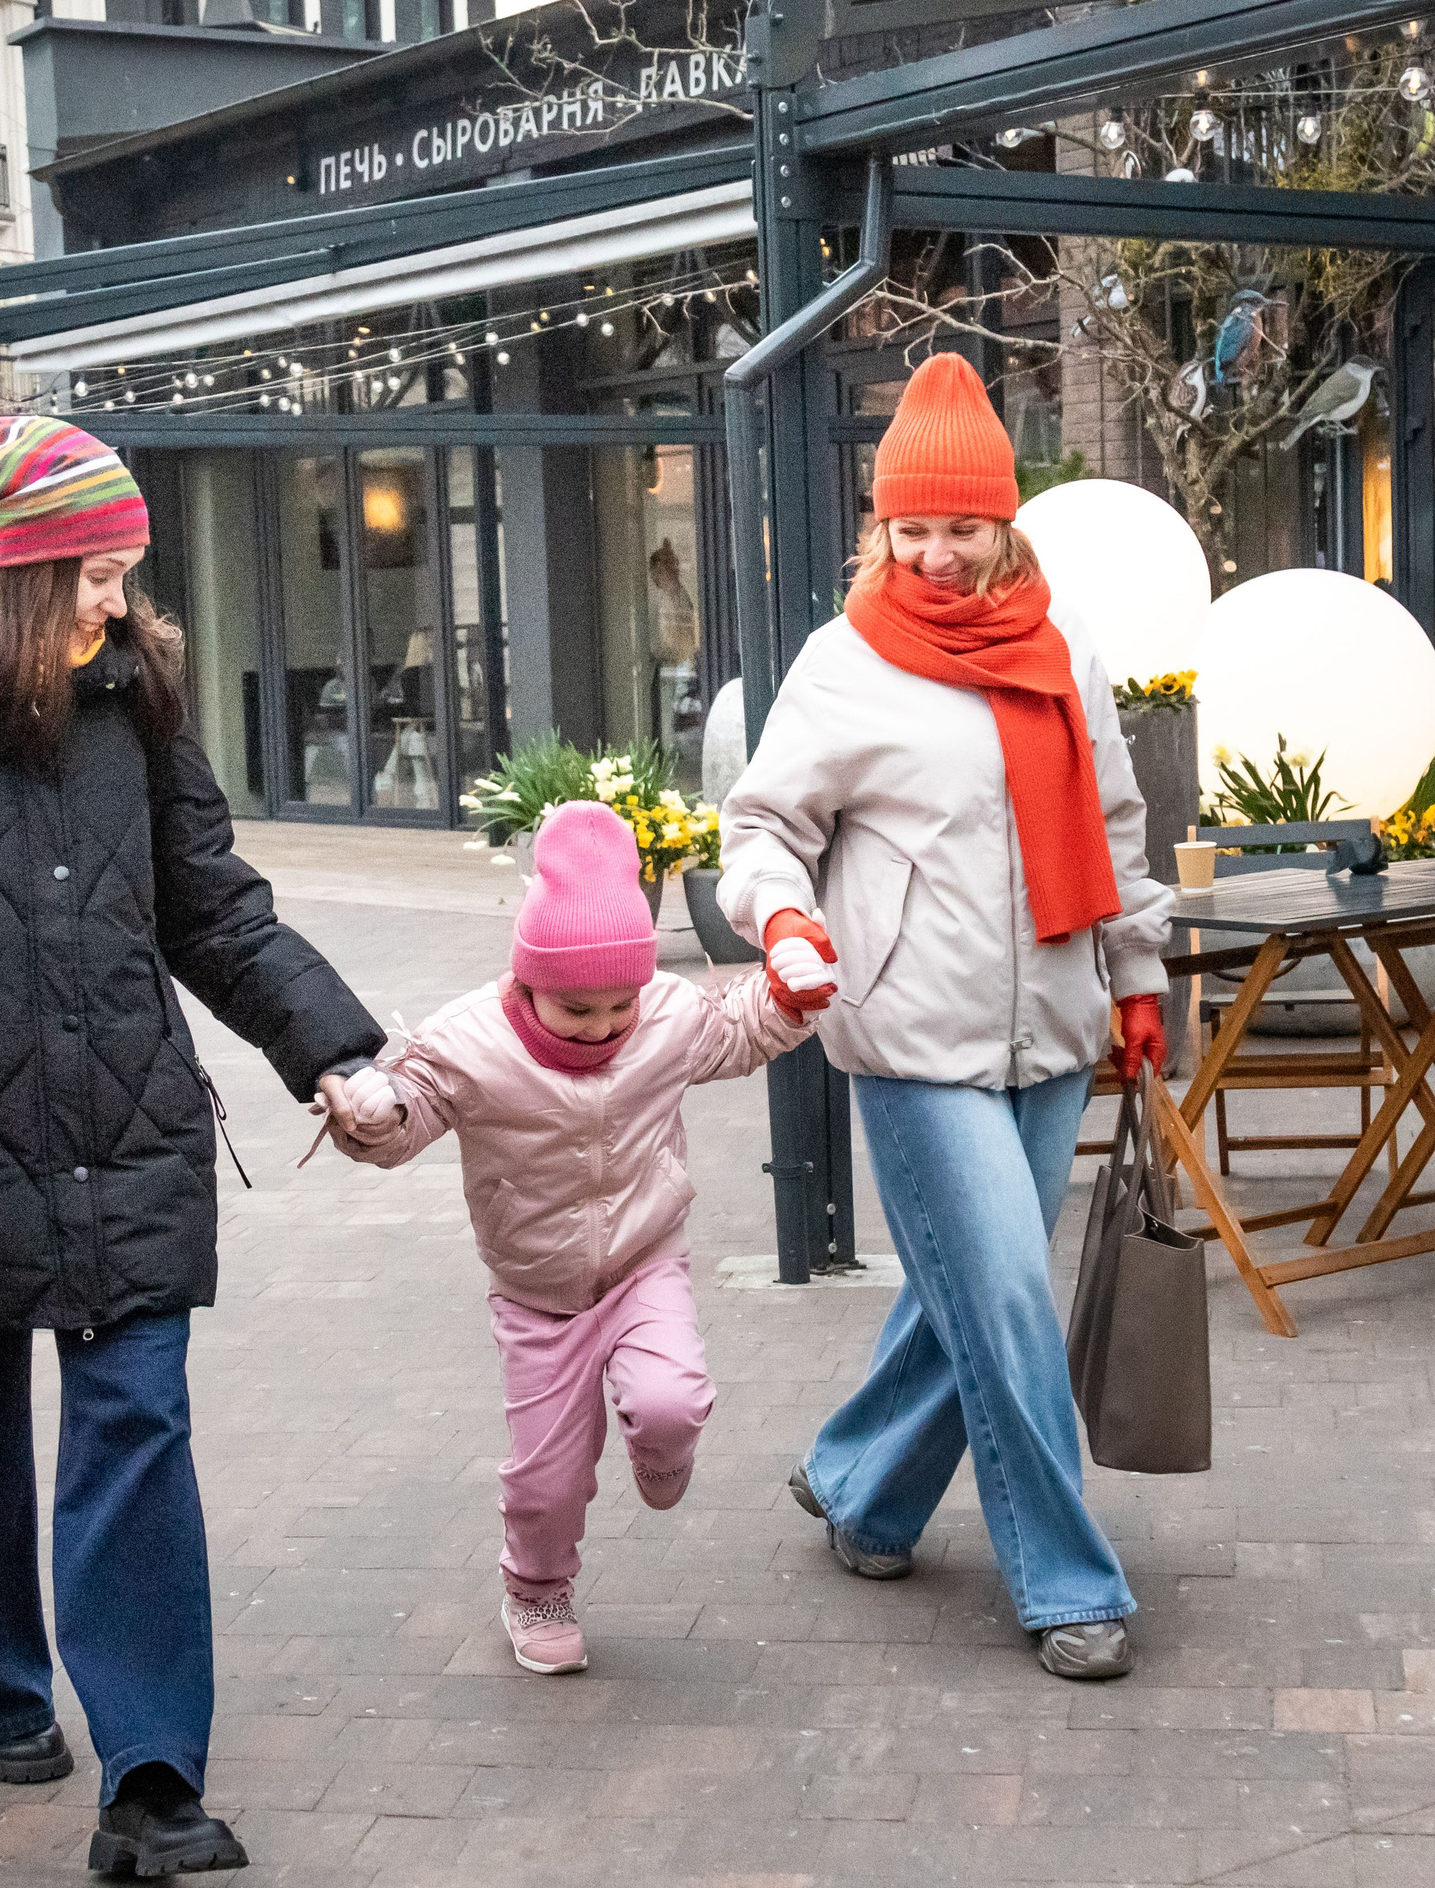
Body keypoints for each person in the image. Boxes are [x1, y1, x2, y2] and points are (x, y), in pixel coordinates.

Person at [0, 416, 401, 1879]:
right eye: (98, 574)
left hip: (122, 1139)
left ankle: (155, 1776)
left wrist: (338, 1050)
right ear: (21, 574)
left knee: (135, 1430)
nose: (121, 602)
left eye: (126, 573)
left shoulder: (136, 704)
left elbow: (214, 909)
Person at [716, 353, 1173, 1682]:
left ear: (1006, 523)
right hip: (911, 1035)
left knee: (969, 1292)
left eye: (961, 531)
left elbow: (1117, 822)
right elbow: (761, 827)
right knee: (1010, 1304)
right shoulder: (844, 662)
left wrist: (1138, 977)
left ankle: (861, 1484)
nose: (934, 558)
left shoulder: (1064, 647)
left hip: (1052, 1026)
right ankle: (1067, 1581)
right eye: (909, 531)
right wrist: (786, 919)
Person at [327, 801, 827, 1674]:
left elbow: (742, 1029)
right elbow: (406, 1113)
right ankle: (537, 1586)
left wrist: (793, 995)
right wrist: (371, 1112)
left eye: (618, 1005)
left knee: (671, 1399)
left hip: (643, 1261)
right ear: (526, 982)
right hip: (536, 1290)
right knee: (549, 1476)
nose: (601, 1026)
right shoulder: (470, 1043)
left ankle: (660, 1444)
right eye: (576, 1007)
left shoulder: (665, 1016)